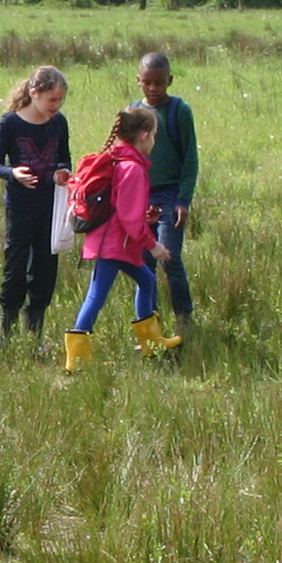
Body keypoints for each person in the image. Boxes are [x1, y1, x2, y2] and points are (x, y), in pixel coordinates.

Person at [62, 106, 174, 372]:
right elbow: (128, 218)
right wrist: (153, 244)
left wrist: (143, 217)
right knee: (97, 295)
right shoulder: (132, 169)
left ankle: (152, 342)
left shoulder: (120, 161)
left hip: (111, 241)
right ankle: (76, 358)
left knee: (146, 280)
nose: (154, 142)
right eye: (155, 136)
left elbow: (123, 208)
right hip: (112, 245)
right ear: (145, 135)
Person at [0, 66, 72, 345]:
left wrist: (63, 172)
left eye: (60, 100)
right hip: (20, 207)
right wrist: (13, 173)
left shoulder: (59, 123)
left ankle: (36, 334)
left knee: (46, 269)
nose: (56, 106)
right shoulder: (10, 123)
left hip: (50, 207)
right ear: (34, 94)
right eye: (51, 100)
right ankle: (5, 336)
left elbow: (64, 159)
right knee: (15, 268)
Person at [133, 51, 199, 333]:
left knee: (169, 256)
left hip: (170, 196)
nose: (153, 89)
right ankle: (150, 320)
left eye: (159, 83)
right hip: (140, 198)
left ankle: (184, 317)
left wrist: (184, 199)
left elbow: (190, 160)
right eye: (147, 83)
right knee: (143, 262)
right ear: (139, 81)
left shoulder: (179, 111)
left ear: (169, 80)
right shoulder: (134, 112)